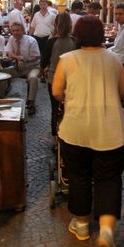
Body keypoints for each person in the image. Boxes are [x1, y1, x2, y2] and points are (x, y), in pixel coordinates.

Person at [52, 15, 124, 247]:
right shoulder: (113, 59)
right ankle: (107, 231)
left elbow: (56, 91)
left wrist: (72, 97)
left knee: (79, 176)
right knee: (109, 179)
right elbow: (123, 91)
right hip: (111, 129)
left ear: (77, 35)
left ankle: (83, 225)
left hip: (76, 129)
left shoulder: (67, 60)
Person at [41, 12, 76, 147]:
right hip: (72, 81)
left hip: (54, 79)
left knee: (55, 109)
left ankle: (56, 140)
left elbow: (44, 62)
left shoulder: (52, 42)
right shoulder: (75, 41)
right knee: (70, 108)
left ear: (56, 24)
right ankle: (69, 136)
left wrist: (44, 68)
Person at [4, 22, 40, 116]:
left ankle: (31, 103)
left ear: (23, 31)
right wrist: (17, 58)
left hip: (32, 66)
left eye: (18, 30)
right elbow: (8, 52)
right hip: (17, 66)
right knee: (3, 74)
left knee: (33, 78)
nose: (15, 33)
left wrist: (24, 60)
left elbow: (36, 56)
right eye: (13, 31)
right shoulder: (12, 39)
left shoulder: (31, 40)